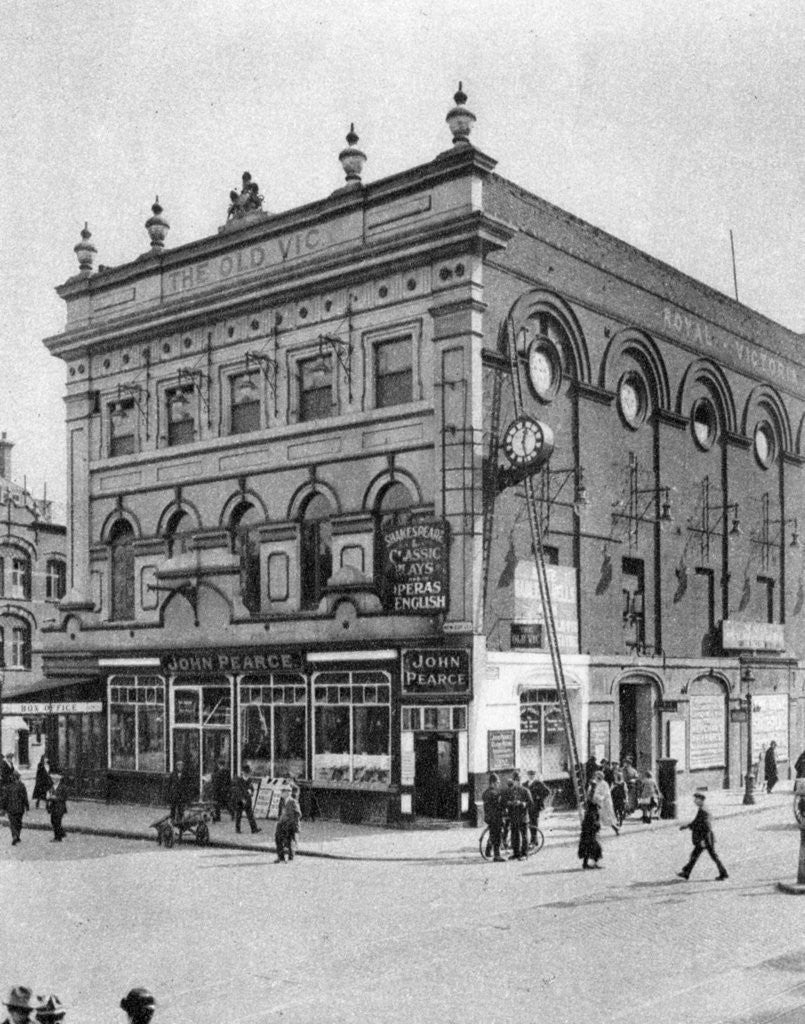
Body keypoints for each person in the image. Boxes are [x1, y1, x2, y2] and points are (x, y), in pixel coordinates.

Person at [677, 792, 728, 881]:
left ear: (701, 800)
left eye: (696, 799)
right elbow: (696, 822)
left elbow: (706, 826)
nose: (694, 801)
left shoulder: (703, 811)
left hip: (705, 837)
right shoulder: (703, 809)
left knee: (713, 856)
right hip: (705, 837)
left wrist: (703, 840)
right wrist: (686, 826)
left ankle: (724, 873)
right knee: (695, 854)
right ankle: (686, 872)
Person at [504, 771, 533, 860]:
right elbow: (505, 802)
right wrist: (510, 803)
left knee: (524, 836)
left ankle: (524, 854)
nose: (518, 782)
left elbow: (530, 803)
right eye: (516, 780)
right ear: (513, 781)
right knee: (514, 836)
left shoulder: (525, 791)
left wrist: (523, 803)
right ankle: (516, 853)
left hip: (523, 817)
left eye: (519, 780)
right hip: (514, 817)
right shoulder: (510, 791)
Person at [274, 784, 302, 862]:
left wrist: (292, 823)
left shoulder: (293, 802)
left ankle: (291, 857)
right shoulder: (282, 801)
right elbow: (281, 813)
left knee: (289, 841)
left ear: (288, 792)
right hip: (282, 824)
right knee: (278, 839)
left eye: (283, 791)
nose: (281, 793)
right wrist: (279, 821)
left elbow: (298, 814)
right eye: (281, 791)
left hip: (290, 825)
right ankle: (281, 857)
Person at [481, 772, 505, 862]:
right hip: (496, 818)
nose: (498, 784)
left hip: (489, 817)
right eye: (497, 783)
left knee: (492, 834)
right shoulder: (495, 794)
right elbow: (499, 806)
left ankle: (488, 850)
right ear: (493, 783)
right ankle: (497, 855)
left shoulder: (486, 792)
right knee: (497, 836)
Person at [525, 769, 551, 846]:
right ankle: (533, 840)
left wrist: (539, 798)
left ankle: (534, 840)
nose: (531, 776)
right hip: (527, 807)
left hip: (535, 806)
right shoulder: (525, 784)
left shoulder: (538, 783)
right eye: (530, 775)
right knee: (529, 823)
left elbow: (547, 791)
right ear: (527, 775)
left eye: (532, 775)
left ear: (534, 775)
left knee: (534, 823)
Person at [234, 764, 262, 835]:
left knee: (250, 815)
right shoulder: (239, 780)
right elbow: (238, 791)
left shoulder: (249, 780)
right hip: (240, 800)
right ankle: (237, 829)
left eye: (248, 773)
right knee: (238, 815)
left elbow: (252, 788)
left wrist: (251, 792)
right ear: (242, 772)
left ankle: (254, 829)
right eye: (245, 772)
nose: (246, 774)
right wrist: (242, 798)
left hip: (248, 799)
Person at [3, 771, 29, 845]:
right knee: (19, 822)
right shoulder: (22, 786)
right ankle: (17, 835)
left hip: (10, 808)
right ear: (18, 777)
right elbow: (25, 797)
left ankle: (15, 835)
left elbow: (5, 798)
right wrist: (27, 806)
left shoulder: (8, 787)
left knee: (12, 823)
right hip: (19, 808)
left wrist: (3, 808)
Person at [590, 770, 620, 835]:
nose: (595, 778)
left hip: (605, 803)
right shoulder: (598, 783)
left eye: (596, 776)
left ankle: (615, 828)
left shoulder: (604, 784)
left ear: (599, 777)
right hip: (599, 803)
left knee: (606, 818)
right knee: (598, 817)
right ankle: (596, 831)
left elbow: (606, 794)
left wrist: (599, 798)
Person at [577, 801, 602, 869]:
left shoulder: (589, 813)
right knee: (596, 849)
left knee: (587, 850)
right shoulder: (592, 814)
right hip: (590, 835)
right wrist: (597, 827)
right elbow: (594, 824)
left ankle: (585, 864)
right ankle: (593, 864)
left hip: (586, 835)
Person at [167, 760, 193, 824]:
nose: (180, 767)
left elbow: (188, 784)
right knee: (173, 807)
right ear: (176, 766)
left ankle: (180, 820)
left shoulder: (186, 774)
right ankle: (172, 820)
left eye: (181, 766)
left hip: (182, 794)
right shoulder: (173, 774)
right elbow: (169, 784)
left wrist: (186, 793)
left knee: (181, 808)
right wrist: (170, 792)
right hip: (174, 793)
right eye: (179, 766)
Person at [210, 758, 232, 822]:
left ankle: (218, 817)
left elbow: (216, 780)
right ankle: (232, 813)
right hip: (224, 789)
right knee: (225, 803)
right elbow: (229, 781)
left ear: (219, 765)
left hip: (219, 790)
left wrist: (212, 777)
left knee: (217, 803)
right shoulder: (227, 771)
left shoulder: (219, 772)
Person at [48, 776, 68, 842]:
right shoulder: (52, 787)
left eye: (54, 779)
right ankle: (62, 833)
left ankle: (57, 838)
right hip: (53, 807)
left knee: (57, 822)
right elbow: (50, 795)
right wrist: (49, 797)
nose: (53, 780)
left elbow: (65, 797)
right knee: (53, 821)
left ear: (58, 780)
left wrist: (56, 798)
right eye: (52, 779)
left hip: (60, 807)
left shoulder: (63, 787)